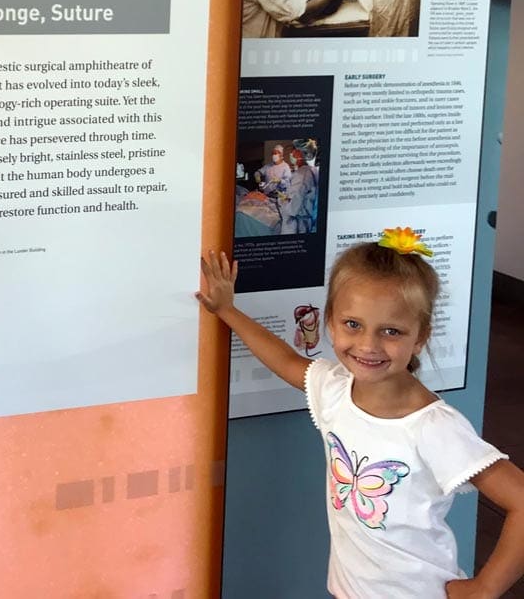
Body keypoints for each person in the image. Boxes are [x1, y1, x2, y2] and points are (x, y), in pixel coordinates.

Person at [196, 228, 524, 598]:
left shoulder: (432, 426)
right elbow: (286, 360)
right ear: (331, 322)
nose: (368, 345)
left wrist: (485, 589)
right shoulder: (334, 389)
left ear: (420, 336)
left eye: (391, 331)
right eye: (353, 325)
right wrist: (226, 310)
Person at [282, 147, 318, 234]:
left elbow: (293, 207)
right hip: (305, 219)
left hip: (297, 223)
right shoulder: (310, 170)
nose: (291, 156)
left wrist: (282, 201)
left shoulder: (302, 174)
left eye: (294, 154)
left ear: (301, 156)